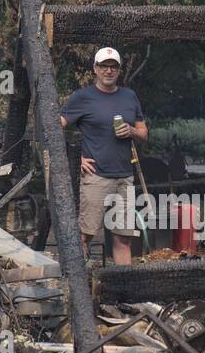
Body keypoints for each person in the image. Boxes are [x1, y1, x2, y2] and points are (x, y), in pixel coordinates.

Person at [60, 47, 147, 265]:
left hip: (124, 176)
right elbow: (53, 128)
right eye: (104, 66)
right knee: (84, 236)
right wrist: (76, 158)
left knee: (123, 240)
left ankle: (123, 292)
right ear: (95, 69)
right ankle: (79, 289)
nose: (109, 71)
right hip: (96, 176)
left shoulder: (129, 96)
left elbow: (144, 133)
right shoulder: (82, 97)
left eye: (113, 66)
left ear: (119, 70)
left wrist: (132, 131)